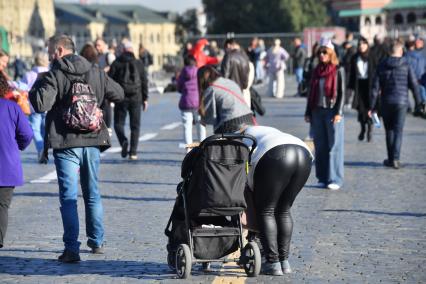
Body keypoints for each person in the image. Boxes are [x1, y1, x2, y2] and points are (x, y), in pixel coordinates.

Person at [29, 35, 124, 262]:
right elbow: (119, 94)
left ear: (60, 50)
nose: (51, 55)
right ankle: (97, 241)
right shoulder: (95, 71)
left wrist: (37, 86)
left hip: (66, 142)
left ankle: (72, 249)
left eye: (52, 51)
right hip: (92, 141)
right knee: (93, 194)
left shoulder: (55, 73)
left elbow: (41, 104)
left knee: (69, 197)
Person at [242, 125, 313, 275]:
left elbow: (241, 172)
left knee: (266, 210)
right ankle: (284, 262)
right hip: (303, 152)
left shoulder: (243, 137)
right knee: (284, 210)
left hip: (275, 154)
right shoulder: (264, 130)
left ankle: (272, 262)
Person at [369, 40, 422, 169]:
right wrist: (419, 103)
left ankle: (390, 158)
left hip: (386, 102)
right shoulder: (406, 64)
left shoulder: (382, 65)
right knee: (398, 130)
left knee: (389, 131)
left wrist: (371, 106)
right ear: (401, 51)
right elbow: (414, 85)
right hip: (402, 102)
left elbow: (375, 88)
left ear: (389, 52)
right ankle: (396, 159)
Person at [304, 39, 345, 190]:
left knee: (334, 146)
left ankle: (335, 178)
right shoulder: (316, 70)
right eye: (319, 52)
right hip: (317, 111)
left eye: (324, 52)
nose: (321, 55)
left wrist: (338, 112)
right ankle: (322, 177)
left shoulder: (338, 70)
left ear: (331, 53)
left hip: (332, 111)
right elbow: (310, 94)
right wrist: (308, 112)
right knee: (320, 146)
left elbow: (341, 93)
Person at [0, 72, 33, 249]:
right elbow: (27, 134)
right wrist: (17, 146)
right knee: (2, 206)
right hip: (6, 166)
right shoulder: (12, 107)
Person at [109, 40, 149, 160]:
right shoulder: (139, 63)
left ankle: (123, 141)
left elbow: (110, 81)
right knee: (135, 126)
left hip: (120, 98)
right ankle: (133, 152)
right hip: (136, 97)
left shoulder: (116, 63)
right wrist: (145, 98)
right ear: (132, 50)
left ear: (123, 50)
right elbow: (144, 81)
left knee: (118, 124)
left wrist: (111, 96)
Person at [198, 65, 254, 134]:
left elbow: (210, 119)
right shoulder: (230, 82)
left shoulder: (211, 89)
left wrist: (203, 120)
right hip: (248, 118)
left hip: (231, 123)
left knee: (220, 142)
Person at [19, 51, 50, 163]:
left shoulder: (29, 74)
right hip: (47, 106)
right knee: (44, 130)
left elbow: (21, 88)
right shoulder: (49, 73)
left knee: (35, 130)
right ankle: (43, 151)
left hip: (33, 107)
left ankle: (41, 149)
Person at [348, 37, 375, 142]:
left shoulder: (372, 57)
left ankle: (370, 131)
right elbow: (352, 74)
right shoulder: (355, 57)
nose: (361, 46)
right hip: (359, 86)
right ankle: (363, 129)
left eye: (363, 44)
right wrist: (350, 88)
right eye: (359, 44)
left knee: (371, 109)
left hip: (370, 86)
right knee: (361, 110)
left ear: (367, 45)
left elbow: (377, 72)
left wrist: (379, 87)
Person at [176, 55, 206, 148]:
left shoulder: (182, 73)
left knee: (187, 126)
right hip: (198, 103)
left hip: (186, 102)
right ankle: (203, 146)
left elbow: (179, 88)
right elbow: (203, 86)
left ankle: (188, 149)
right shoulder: (199, 72)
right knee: (200, 124)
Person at [221, 38, 253, 107]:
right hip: (241, 89)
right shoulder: (245, 56)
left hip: (230, 90)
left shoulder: (228, 56)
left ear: (229, 45)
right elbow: (247, 73)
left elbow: (225, 75)